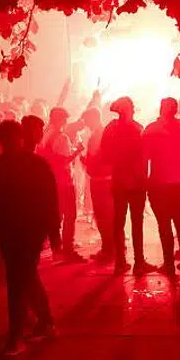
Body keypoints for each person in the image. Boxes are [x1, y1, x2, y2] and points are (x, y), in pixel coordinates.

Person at [0, 120, 58, 355]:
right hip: (18, 230)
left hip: (24, 230)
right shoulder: (23, 164)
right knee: (25, 276)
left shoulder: (23, 164)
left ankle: (16, 336)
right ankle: (45, 322)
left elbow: (49, 200)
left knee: (17, 280)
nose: (10, 143)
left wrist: (53, 232)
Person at [143, 98, 180, 275]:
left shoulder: (151, 130)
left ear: (161, 109)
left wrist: (144, 181)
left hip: (159, 184)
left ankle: (169, 264)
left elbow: (144, 157)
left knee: (164, 226)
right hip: (179, 183)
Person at [98, 97, 146, 274]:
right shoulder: (137, 129)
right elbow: (144, 155)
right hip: (137, 182)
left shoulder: (111, 129)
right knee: (136, 222)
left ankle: (120, 262)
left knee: (119, 222)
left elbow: (104, 156)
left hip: (119, 181)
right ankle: (139, 262)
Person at [40, 107, 84, 263]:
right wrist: (77, 151)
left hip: (51, 181)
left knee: (57, 216)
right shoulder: (62, 138)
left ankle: (57, 248)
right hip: (64, 181)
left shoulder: (46, 134)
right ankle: (68, 250)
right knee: (70, 215)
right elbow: (64, 160)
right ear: (62, 120)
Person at [78, 107, 114, 261]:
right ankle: (111, 248)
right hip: (105, 179)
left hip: (100, 180)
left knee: (103, 215)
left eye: (87, 120)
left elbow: (95, 159)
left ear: (93, 118)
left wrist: (84, 159)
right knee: (107, 215)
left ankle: (108, 249)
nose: (86, 124)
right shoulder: (103, 133)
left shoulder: (97, 136)